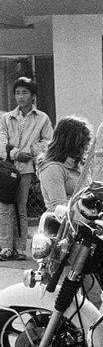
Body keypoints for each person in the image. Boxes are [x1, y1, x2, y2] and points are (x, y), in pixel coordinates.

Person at [0, 77, 53, 260]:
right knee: (5, 207)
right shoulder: (6, 118)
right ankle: (5, 247)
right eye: (17, 92)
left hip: (25, 169)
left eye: (24, 92)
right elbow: (1, 140)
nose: (20, 97)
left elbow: (47, 141)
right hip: (6, 168)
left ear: (33, 96)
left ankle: (21, 249)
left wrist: (30, 151)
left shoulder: (42, 118)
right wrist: (15, 154)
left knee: (20, 208)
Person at [36, 116, 92, 211]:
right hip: (65, 222)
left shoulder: (80, 164)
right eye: (82, 145)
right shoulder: (53, 168)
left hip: (87, 219)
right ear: (70, 144)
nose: (85, 148)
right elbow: (59, 207)